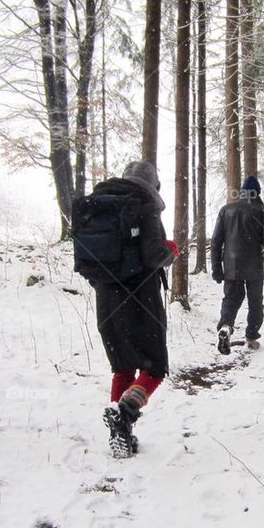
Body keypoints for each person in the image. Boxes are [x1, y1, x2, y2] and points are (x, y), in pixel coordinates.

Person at [77, 160, 177, 458]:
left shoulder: (100, 205)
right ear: (153, 184)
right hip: (141, 299)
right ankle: (128, 409)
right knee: (155, 368)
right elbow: (153, 255)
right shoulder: (146, 206)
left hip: (106, 299)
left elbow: (89, 258)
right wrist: (171, 249)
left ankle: (119, 432)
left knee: (122, 366)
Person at [210, 176, 264, 354]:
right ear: (257, 193)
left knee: (231, 299)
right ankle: (251, 336)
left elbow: (216, 242)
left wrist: (217, 269)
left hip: (232, 264)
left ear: (242, 192)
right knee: (255, 302)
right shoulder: (262, 212)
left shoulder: (226, 210)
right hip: (254, 265)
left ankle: (226, 326)